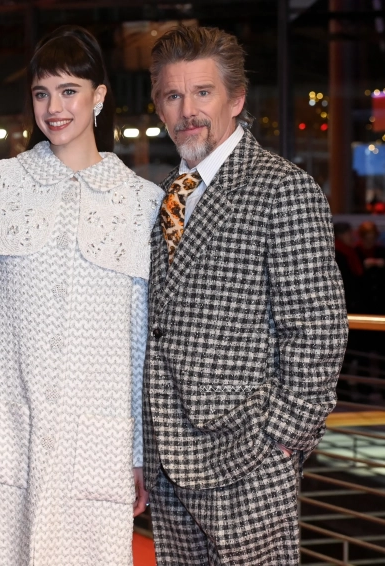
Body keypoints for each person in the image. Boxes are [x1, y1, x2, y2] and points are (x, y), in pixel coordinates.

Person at [143, 26, 347, 564]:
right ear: (159, 107)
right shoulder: (164, 196)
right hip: (169, 461)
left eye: (202, 92)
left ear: (235, 99)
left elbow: (319, 329)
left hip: (248, 459)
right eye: (173, 95)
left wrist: (282, 442)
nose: (188, 110)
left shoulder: (283, 188)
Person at [0, 25, 160, 565]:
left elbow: (141, 342)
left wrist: (139, 452)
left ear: (99, 96)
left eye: (69, 90)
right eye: (42, 92)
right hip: (8, 430)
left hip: (97, 441)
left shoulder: (142, 203)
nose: (54, 107)